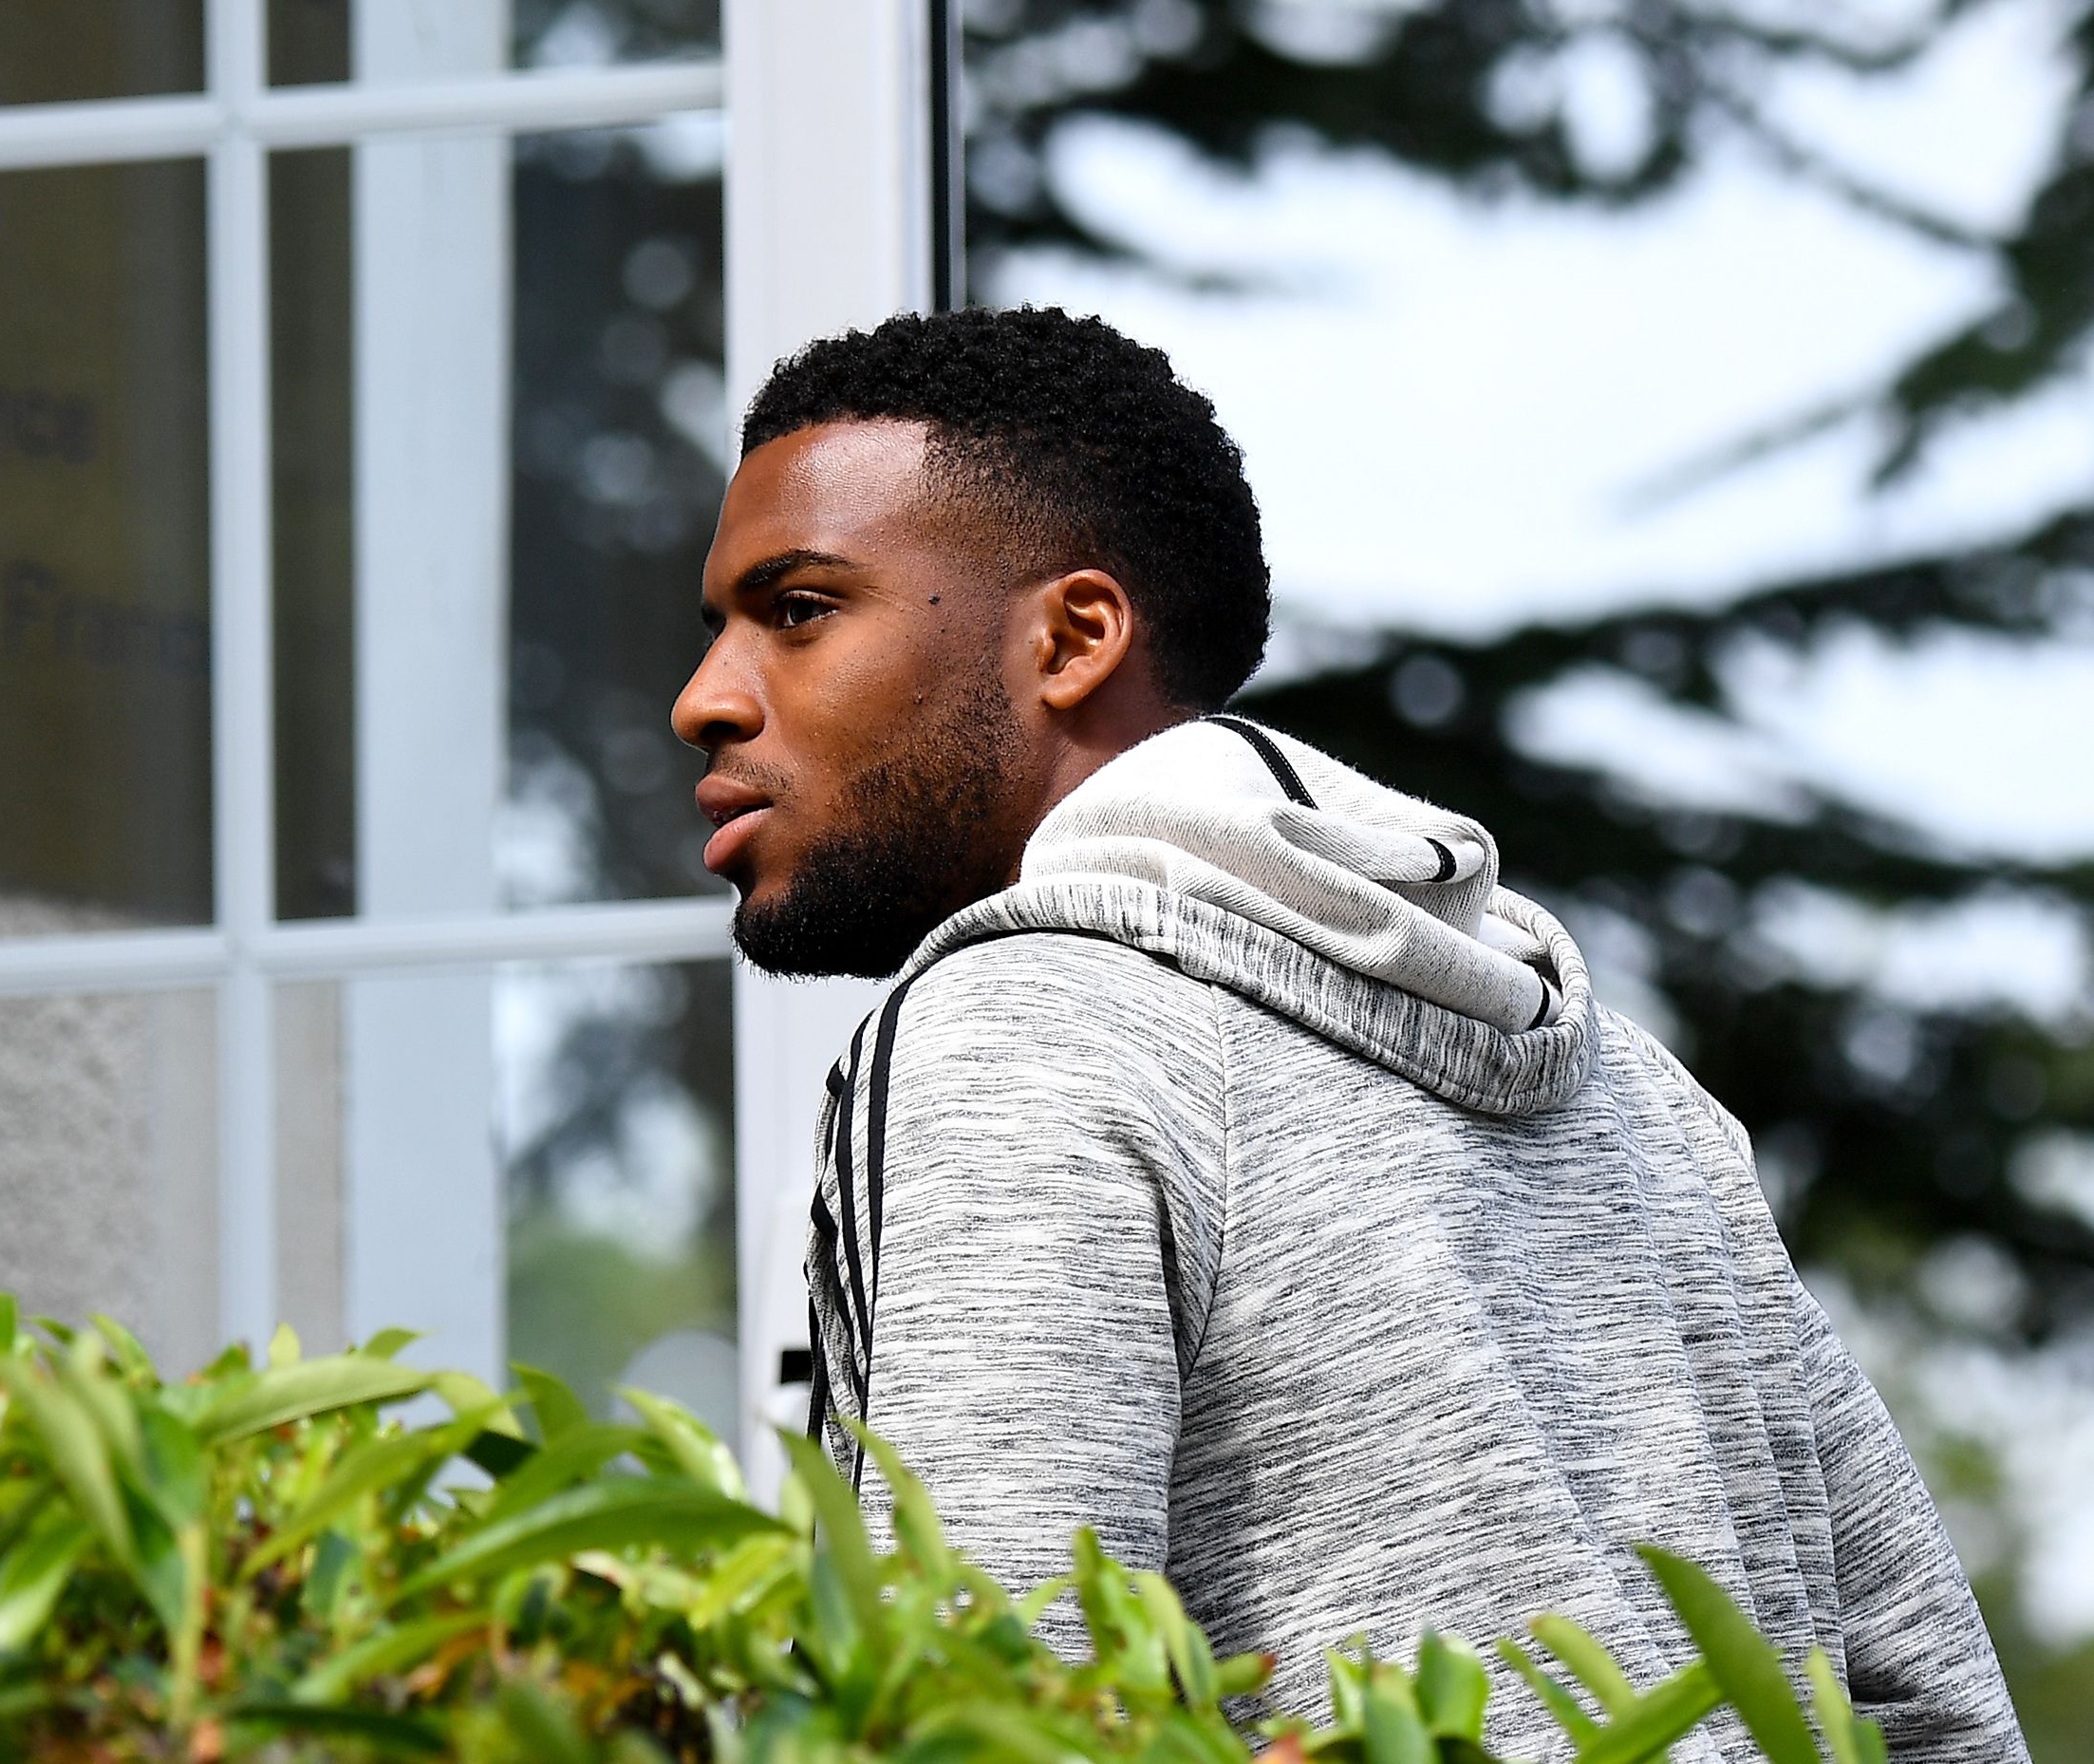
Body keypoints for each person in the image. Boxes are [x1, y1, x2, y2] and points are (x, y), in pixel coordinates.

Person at [669, 305, 2027, 1761]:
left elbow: (973, 1704)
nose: (704, 700)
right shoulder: (1645, 1100)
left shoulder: (1017, 1025)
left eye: (798, 609)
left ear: (1071, 637)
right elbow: (1935, 1711)